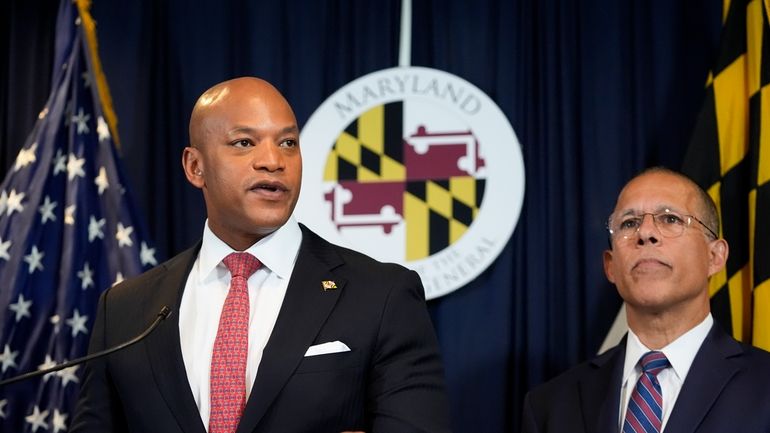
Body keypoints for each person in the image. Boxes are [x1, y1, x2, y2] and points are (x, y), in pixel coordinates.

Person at [71, 77, 451, 433]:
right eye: (244, 143)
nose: (273, 161)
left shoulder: (381, 295)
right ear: (195, 166)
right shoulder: (124, 311)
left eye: (288, 143)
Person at [521, 167, 770, 432]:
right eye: (629, 223)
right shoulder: (550, 405)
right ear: (611, 266)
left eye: (670, 219)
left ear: (715, 257)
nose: (645, 233)